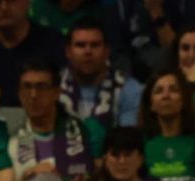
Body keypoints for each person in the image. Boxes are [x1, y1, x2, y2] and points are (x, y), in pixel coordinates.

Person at [0, 60, 94, 181]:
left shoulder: (84, 132)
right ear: (19, 93)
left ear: (56, 92)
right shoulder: (10, 140)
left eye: (41, 87)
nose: (33, 95)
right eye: (27, 87)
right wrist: (24, 179)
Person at [59, 18, 143, 146]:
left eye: (95, 45)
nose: (88, 51)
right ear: (68, 52)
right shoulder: (52, 87)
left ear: (107, 51)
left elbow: (128, 144)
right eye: (80, 45)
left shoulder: (129, 89)